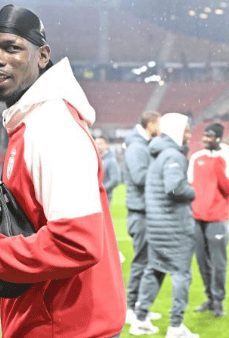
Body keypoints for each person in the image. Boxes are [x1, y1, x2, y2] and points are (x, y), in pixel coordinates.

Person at [0, 4, 126, 338]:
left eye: (12, 48)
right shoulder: (33, 123)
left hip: (64, 328)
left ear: (42, 56)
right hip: (59, 323)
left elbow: (76, 244)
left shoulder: (52, 127)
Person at [130, 113, 199, 338]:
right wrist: (193, 191)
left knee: (155, 271)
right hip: (175, 227)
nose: (189, 134)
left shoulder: (158, 153)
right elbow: (175, 187)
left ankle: (140, 319)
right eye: (186, 130)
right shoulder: (172, 155)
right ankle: (175, 327)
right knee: (181, 275)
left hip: (157, 226)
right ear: (177, 131)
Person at [188, 122, 229, 318]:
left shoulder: (228, 157)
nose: (205, 139)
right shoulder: (196, 157)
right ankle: (210, 298)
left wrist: (218, 166)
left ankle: (218, 301)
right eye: (204, 135)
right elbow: (190, 184)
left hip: (217, 218)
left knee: (218, 263)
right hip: (197, 218)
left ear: (219, 138)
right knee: (202, 262)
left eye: (209, 136)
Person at [123, 111, 163, 326]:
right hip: (140, 213)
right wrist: (162, 175)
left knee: (148, 260)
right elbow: (140, 177)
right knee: (141, 261)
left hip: (145, 210)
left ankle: (140, 306)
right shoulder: (137, 147)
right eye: (159, 124)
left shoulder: (141, 144)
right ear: (151, 124)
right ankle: (131, 307)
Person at [95, 136, 122, 204]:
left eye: (100, 143)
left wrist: (101, 189)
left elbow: (115, 180)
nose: (97, 146)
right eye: (96, 143)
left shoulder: (111, 160)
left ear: (107, 145)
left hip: (104, 196)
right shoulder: (94, 158)